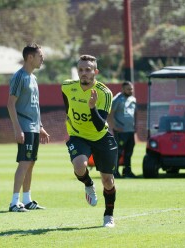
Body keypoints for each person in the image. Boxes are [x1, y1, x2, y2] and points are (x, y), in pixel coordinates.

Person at [61, 55, 118, 227]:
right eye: (80, 70)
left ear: (95, 72)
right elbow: (67, 106)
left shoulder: (105, 93)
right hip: (78, 135)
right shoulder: (67, 87)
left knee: (108, 180)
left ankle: (109, 215)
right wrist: (70, 120)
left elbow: (100, 125)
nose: (84, 73)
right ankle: (88, 184)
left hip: (101, 137)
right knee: (79, 166)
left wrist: (92, 107)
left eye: (88, 70)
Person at [7, 43, 50, 212]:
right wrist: (17, 129)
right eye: (40, 56)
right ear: (30, 57)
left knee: (31, 163)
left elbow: (34, 106)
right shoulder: (20, 76)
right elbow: (10, 104)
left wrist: (40, 126)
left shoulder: (33, 78)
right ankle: (14, 202)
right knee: (24, 163)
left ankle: (27, 200)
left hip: (33, 127)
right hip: (24, 126)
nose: (42, 58)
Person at [109, 81, 137, 178]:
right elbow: (110, 113)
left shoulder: (133, 99)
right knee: (119, 152)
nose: (131, 91)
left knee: (129, 152)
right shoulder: (117, 99)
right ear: (123, 89)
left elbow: (135, 114)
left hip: (130, 131)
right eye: (128, 89)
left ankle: (127, 172)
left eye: (131, 89)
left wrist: (135, 126)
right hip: (121, 131)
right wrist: (114, 127)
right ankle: (115, 172)